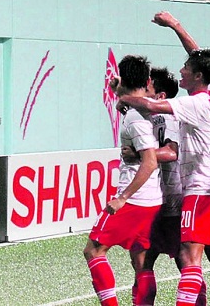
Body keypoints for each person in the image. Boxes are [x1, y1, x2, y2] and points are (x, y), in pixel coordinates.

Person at [117, 12, 210, 306]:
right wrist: (175, 26)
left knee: (188, 256)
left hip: (197, 190)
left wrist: (124, 94)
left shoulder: (194, 104)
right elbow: (198, 55)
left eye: (186, 68)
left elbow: (150, 104)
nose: (182, 69)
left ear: (198, 76)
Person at [84, 54, 161, 306]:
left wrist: (122, 198)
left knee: (94, 250)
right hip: (153, 199)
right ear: (148, 81)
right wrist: (119, 90)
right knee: (141, 261)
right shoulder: (152, 106)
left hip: (135, 200)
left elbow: (149, 161)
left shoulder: (134, 118)